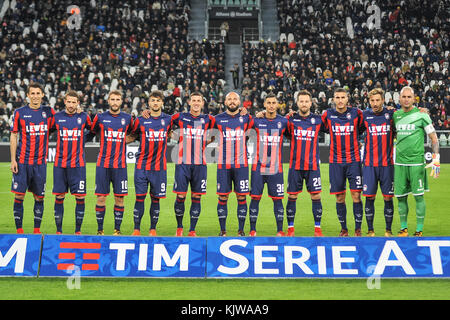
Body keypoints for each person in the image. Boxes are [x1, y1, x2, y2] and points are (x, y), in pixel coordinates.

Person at [393, 86, 440, 237]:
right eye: (404, 97)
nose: (406, 99)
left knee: (418, 196)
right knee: (400, 198)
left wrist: (436, 157)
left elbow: (434, 138)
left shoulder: (422, 115)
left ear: (414, 99)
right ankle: (404, 228)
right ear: (399, 99)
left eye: (409, 97)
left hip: (416, 163)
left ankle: (419, 229)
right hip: (399, 164)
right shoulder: (396, 115)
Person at [10, 82, 55, 234]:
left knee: (39, 197)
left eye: (38, 93)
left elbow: (64, 119)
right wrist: (13, 160)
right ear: (28, 95)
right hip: (22, 162)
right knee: (19, 195)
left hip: (40, 163)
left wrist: (78, 110)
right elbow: (14, 135)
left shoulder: (49, 112)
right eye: (32, 93)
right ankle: (19, 231)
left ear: (43, 95)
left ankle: (36, 231)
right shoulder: (19, 113)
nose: (35, 96)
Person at [170, 92, 216, 236]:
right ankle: (179, 227)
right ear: (189, 102)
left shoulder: (208, 119)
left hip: (200, 164)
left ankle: (192, 230)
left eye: (199, 101)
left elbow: (216, 132)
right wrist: (174, 135)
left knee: (197, 196)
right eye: (194, 100)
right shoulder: (180, 117)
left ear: (203, 103)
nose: (196, 103)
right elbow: (163, 123)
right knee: (181, 196)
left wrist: (207, 142)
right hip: (182, 163)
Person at [321, 88, 364, 236]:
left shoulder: (356, 113)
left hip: (354, 161)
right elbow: (311, 122)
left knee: (356, 196)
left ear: (348, 99)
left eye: (343, 97)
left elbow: (367, 126)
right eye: (337, 97)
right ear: (333, 99)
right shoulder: (327, 115)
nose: (340, 100)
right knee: (340, 197)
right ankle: (344, 229)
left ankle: (358, 229)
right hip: (336, 162)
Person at [129, 90, 173, 236]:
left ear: (162, 103)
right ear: (149, 103)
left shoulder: (168, 120)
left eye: (158, 100)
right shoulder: (141, 120)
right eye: (153, 100)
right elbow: (132, 134)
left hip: (159, 168)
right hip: (142, 166)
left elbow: (172, 133)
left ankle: (152, 229)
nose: (155, 103)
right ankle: (136, 229)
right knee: (139, 198)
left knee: (156, 199)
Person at [90, 90, 133, 235]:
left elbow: (135, 133)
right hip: (103, 164)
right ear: (108, 101)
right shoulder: (100, 117)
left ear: (122, 101)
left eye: (118, 99)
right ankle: (100, 230)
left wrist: (125, 140)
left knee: (119, 198)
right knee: (101, 198)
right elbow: (93, 132)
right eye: (112, 99)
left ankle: (117, 230)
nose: (115, 102)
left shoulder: (127, 118)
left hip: (120, 166)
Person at [285, 90, 326, 237]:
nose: (304, 104)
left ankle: (317, 229)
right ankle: (290, 229)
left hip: (313, 166)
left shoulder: (318, 120)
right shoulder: (290, 120)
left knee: (316, 196)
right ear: (297, 103)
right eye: (301, 101)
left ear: (311, 103)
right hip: (295, 166)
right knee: (292, 197)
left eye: (306, 101)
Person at [51, 90, 93, 234]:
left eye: (73, 102)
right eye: (68, 102)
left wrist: (83, 141)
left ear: (78, 103)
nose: (70, 105)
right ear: (64, 102)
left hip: (78, 165)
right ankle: (59, 231)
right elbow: (47, 131)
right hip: (60, 165)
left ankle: (78, 231)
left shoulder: (84, 117)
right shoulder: (56, 117)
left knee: (80, 196)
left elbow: (93, 130)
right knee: (59, 196)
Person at [214, 91, 254, 236]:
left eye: (235, 99)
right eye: (229, 99)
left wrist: (260, 113)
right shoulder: (217, 119)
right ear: (225, 102)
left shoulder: (247, 118)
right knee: (223, 197)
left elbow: (262, 123)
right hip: (223, 166)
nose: (232, 101)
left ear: (240, 102)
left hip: (241, 165)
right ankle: (223, 231)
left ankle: (241, 230)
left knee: (241, 197)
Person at [249, 93, 288, 236]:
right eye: (268, 103)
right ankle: (253, 230)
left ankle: (280, 231)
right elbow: (243, 130)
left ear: (277, 105)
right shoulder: (256, 121)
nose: (271, 105)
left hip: (276, 168)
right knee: (255, 198)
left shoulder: (283, 122)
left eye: (273, 103)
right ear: (264, 105)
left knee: (278, 199)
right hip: (258, 167)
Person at [360, 88, 395, 237]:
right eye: (372, 100)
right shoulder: (364, 116)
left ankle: (388, 230)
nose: (375, 103)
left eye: (377, 100)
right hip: (369, 165)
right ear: (369, 101)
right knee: (370, 197)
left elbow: (408, 111)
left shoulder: (391, 115)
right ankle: (370, 230)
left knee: (388, 197)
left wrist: (422, 109)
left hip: (387, 165)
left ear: (383, 100)